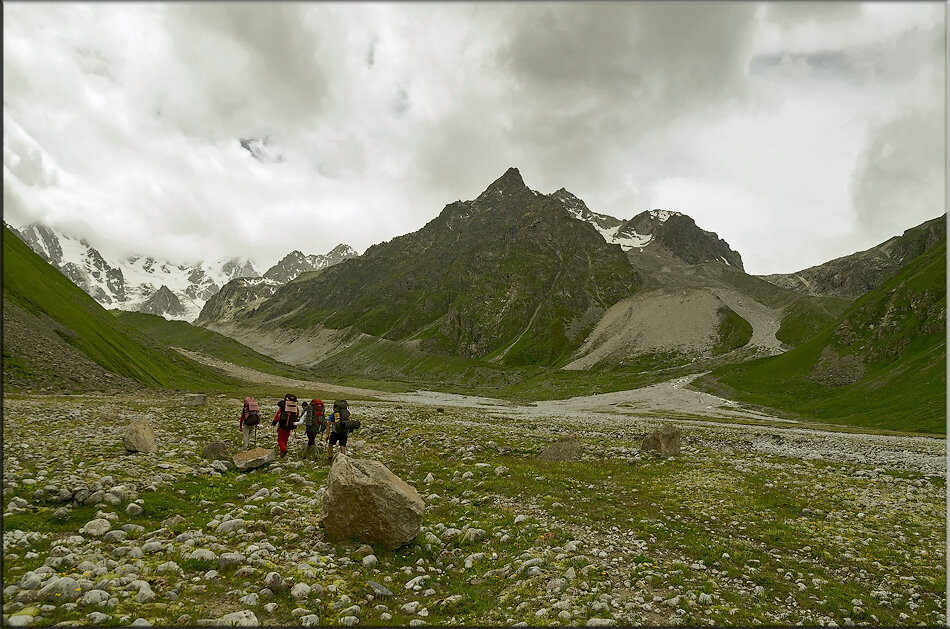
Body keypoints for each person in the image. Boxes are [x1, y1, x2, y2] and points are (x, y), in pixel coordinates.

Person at [272, 393, 299, 458]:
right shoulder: (294, 407)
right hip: (290, 425)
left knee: (280, 440)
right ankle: (282, 454)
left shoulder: (283, 406)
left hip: (282, 424)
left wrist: (274, 422)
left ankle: (284, 450)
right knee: (285, 439)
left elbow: (278, 414)